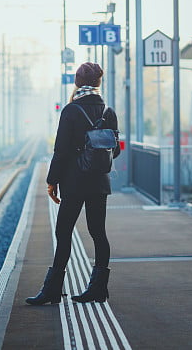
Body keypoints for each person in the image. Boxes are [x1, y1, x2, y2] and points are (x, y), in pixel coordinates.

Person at [26, 61, 120, 306]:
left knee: (64, 232)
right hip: (99, 182)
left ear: (77, 83)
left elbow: (61, 151)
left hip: (74, 182)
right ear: (99, 82)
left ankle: (52, 290)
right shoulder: (108, 110)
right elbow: (115, 151)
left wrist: (52, 181)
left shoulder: (71, 110)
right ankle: (98, 289)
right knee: (98, 233)